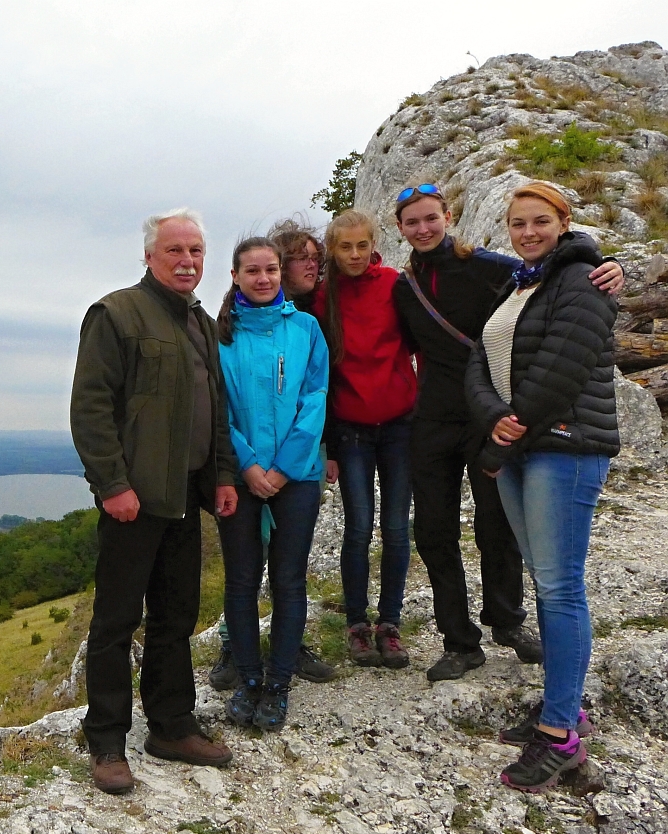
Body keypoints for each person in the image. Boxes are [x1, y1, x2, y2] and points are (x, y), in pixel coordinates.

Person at [392, 184, 624, 682]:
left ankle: (507, 621)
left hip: (493, 416)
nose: (423, 228)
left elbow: (557, 271)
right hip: (433, 418)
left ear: (448, 216)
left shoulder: (494, 268)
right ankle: (458, 641)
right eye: (412, 222)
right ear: (400, 229)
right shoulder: (403, 288)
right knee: (434, 530)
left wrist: (611, 265)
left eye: (431, 218)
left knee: (498, 525)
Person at [70, 208, 240, 795]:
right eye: (175, 250)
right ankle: (107, 741)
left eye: (196, 251)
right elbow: (91, 408)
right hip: (134, 501)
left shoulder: (201, 323)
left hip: (185, 496)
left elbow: (215, 410)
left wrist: (221, 476)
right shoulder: (116, 314)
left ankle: (171, 727)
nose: (187, 261)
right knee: (116, 622)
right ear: (149, 256)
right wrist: (112, 486)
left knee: (176, 616)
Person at [465, 182, 619, 792]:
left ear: (564, 221)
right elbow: (480, 360)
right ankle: (562, 706)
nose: (527, 232)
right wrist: (491, 418)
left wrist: (506, 435)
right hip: (523, 449)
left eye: (539, 221)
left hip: (564, 448)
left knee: (560, 587)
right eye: (518, 223)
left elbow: (562, 367)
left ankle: (560, 737)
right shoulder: (520, 284)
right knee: (547, 581)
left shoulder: (584, 279)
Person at [208, 220, 336, 690]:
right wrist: (248, 465)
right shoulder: (219, 335)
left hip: (296, 476)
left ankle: (281, 673)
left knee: (289, 580)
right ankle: (245, 673)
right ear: (235, 276)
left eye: (271, 270)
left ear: (281, 273)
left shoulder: (306, 328)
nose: (263, 279)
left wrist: (281, 469)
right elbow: (217, 409)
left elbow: (315, 399)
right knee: (242, 580)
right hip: (240, 477)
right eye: (252, 271)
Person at [310, 209, 414, 669]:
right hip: (350, 428)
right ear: (332, 250)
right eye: (344, 247)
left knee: (396, 528)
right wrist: (328, 446)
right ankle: (356, 624)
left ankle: (389, 623)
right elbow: (321, 374)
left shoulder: (394, 284)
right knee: (358, 527)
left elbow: (419, 338)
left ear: (374, 245)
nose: (354, 255)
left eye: (361, 245)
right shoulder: (322, 298)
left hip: (400, 425)